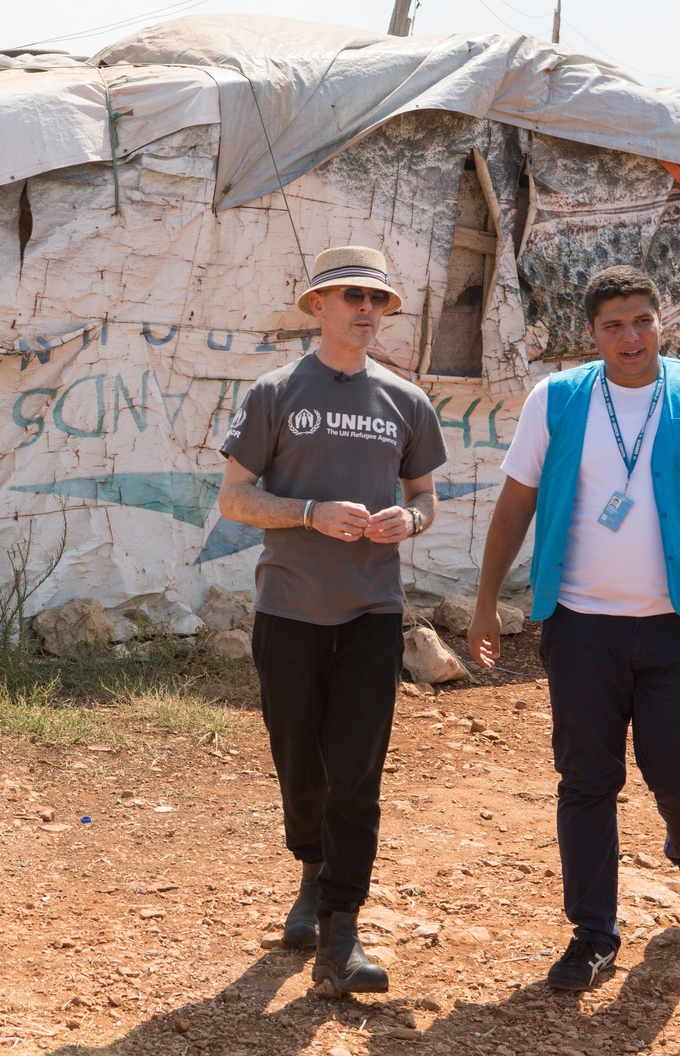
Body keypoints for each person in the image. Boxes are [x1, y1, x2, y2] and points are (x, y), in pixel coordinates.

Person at [466, 265, 680, 992]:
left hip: (679, 626)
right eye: (614, 325)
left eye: (642, 320)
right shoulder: (556, 400)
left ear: (661, 321)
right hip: (581, 627)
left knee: (678, 767)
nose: (631, 337)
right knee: (586, 778)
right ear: (593, 333)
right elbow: (515, 502)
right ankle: (592, 933)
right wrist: (487, 598)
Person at [217, 245, 447, 994]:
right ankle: (312, 869)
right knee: (300, 766)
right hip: (287, 610)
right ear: (316, 304)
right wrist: (310, 513)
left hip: (372, 613)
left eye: (377, 299)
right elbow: (235, 499)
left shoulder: (407, 402)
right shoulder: (274, 392)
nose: (366, 309)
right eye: (351, 295)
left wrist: (406, 523)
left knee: (357, 771)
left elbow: (426, 498)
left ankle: (341, 927)